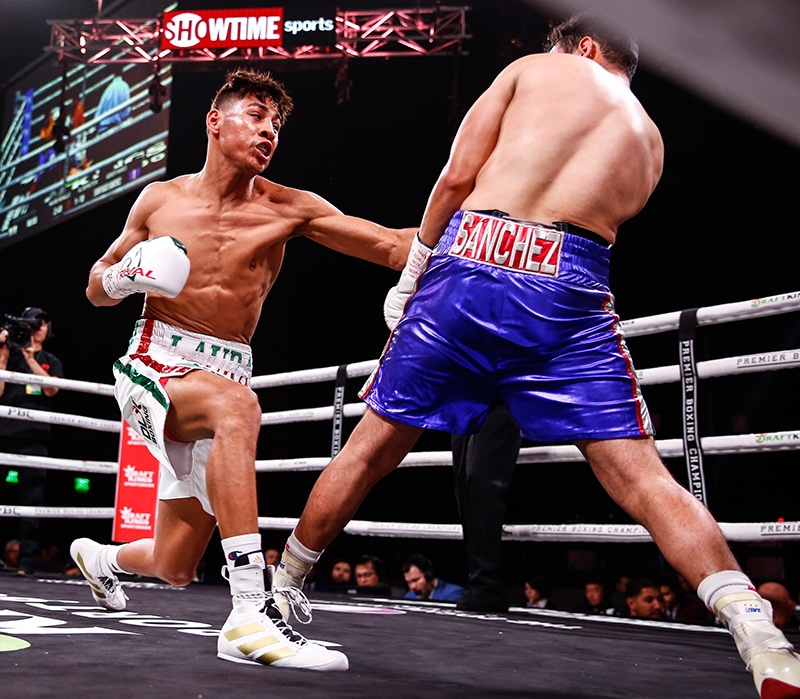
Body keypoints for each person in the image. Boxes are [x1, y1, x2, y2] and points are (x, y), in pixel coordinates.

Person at [272, 13, 800, 696]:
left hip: (473, 264)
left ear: (580, 45)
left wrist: (412, 277)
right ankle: (757, 624)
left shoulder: (533, 68)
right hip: (573, 286)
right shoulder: (652, 140)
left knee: (372, 447)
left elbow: (458, 177)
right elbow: (597, 223)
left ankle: (281, 589)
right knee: (644, 479)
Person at [68, 67, 415, 673]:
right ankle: (251, 613)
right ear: (215, 121)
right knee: (238, 409)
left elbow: (391, 246)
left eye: (276, 123)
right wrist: (123, 277)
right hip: (154, 361)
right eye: (255, 115)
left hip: (223, 371)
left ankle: (102, 559)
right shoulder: (160, 199)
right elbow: (95, 287)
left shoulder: (290, 208)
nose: (269, 131)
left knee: (176, 565)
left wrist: (488, 232)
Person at [0, 307, 63, 576]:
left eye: (42, 323)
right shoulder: (9, 354)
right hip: (5, 432)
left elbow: (51, 389)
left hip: (35, 436)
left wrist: (31, 359)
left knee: (32, 500)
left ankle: (26, 562)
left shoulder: (51, 360)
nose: (38, 327)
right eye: (33, 323)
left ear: (48, 329)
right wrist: (2, 358)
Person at [451, 402, 521, 612]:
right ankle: (479, 581)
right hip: (465, 390)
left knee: (480, 478)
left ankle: (487, 582)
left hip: (505, 384)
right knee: (463, 484)